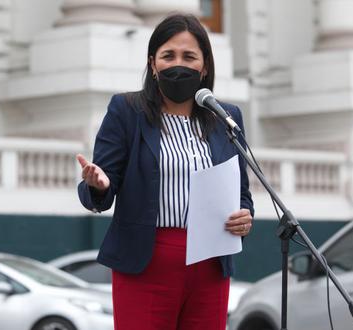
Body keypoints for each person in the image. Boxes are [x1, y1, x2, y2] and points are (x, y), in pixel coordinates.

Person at [77, 13, 254, 330]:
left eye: (189, 57)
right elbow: (99, 188)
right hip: (146, 262)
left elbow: (240, 189)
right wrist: (100, 185)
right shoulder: (126, 111)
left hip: (211, 263)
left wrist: (244, 215)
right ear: (153, 64)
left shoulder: (226, 117)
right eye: (168, 55)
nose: (178, 64)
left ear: (205, 67)